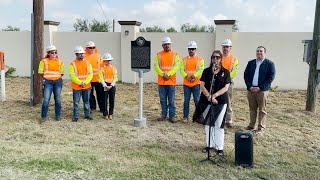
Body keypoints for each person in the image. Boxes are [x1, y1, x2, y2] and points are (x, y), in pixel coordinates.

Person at [193, 50, 231, 156]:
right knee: (208, 124)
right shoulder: (206, 71)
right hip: (207, 101)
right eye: (213, 57)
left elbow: (226, 87)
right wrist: (209, 96)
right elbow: (202, 85)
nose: (215, 59)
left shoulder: (225, 72)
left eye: (218, 57)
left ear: (221, 59)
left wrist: (214, 96)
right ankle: (209, 145)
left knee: (218, 124)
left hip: (220, 101)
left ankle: (219, 148)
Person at [244, 46, 275, 132]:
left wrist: (260, 88)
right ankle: (251, 126)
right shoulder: (251, 63)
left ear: (264, 53)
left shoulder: (270, 64)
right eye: (257, 51)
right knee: (252, 109)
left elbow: (271, 77)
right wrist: (249, 86)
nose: (259, 53)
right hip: (251, 90)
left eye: (261, 51)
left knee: (262, 110)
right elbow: (246, 75)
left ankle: (261, 127)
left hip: (262, 91)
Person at [154, 36, 180, 123]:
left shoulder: (175, 54)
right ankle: (163, 115)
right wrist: (163, 74)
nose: (167, 46)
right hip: (162, 81)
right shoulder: (158, 55)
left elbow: (176, 66)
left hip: (171, 81)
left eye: (168, 44)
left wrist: (168, 74)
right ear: (162, 45)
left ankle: (172, 116)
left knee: (171, 100)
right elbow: (156, 66)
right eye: (165, 44)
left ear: (170, 44)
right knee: (162, 100)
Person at [38, 45, 64, 122]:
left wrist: (56, 78)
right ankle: (43, 116)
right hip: (47, 82)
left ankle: (58, 115)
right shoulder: (43, 61)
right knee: (46, 99)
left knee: (58, 99)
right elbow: (40, 72)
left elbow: (62, 73)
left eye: (55, 52)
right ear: (48, 53)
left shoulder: (60, 62)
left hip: (58, 82)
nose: (54, 54)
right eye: (52, 52)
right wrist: (47, 78)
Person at [180, 41, 204, 123]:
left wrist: (194, 76)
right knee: (186, 101)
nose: (191, 50)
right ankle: (185, 117)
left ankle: (199, 117)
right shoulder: (184, 60)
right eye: (190, 49)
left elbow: (201, 70)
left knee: (197, 100)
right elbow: (181, 70)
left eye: (193, 49)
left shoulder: (200, 59)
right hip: (186, 84)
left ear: (195, 49)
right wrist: (187, 76)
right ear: (188, 50)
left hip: (196, 83)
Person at [69, 46, 93, 122]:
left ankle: (87, 115)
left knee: (86, 101)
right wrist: (80, 83)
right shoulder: (72, 64)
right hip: (77, 87)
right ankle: (76, 116)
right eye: (80, 54)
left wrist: (85, 83)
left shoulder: (88, 63)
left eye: (82, 53)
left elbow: (90, 74)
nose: (82, 55)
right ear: (76, 54)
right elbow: (72, 76)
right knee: (76, 102)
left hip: (86, 86)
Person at [221, 39, 239, 128]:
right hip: (219, 83)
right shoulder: (219, 57)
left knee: (228, 101)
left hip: (229, 83)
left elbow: (234, 71)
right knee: (219, 101)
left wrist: (226, 79)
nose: (225, 48)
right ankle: (220, 118)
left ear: (230, 48)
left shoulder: (234, 59)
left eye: (227, 47)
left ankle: (228, 120)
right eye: (224, 46)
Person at [85, 41, 103, 113]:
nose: (92, 49)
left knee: (100, 94)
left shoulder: (99, 56)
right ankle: (92, 107)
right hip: (89, 79)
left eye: (93, 47)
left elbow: (103, 67)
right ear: (86, 48)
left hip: (98, 79)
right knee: (90, 94)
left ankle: (102, 108)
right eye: (90, 48)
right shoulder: (84, 56)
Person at [99, 52, 118, 120]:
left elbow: (115, 78)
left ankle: (110, 114)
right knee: (104, 100)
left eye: (110, 60)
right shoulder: (101, 68)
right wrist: (105, 86)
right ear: (104, 61)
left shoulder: (114, 68)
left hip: (111, 86)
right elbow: (101, 78)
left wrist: (111, 85)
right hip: (104, 85)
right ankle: (105, 114)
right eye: (108, 60)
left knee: (111, 100)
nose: (109, 61)